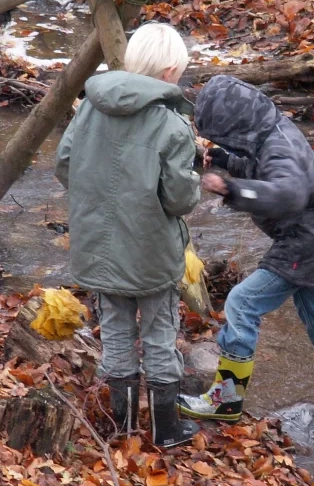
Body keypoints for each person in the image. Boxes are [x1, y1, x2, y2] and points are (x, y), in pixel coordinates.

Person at [177, 75, 314, 422]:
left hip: (304, 244)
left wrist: (233, 190)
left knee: (242, 302)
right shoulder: (270, 132)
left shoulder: (278, 147)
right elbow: (262, 166)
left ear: (236, 124)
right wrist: (226, 158)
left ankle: (225, 400)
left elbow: (288, 193)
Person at [55, 23, 201, 448]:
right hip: (152, 253)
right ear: (172, 71)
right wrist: (195, 177)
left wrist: (100, 202)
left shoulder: (88, 108)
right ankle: (165, 429)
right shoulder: (172, 127)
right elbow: (178, 200)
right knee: (158, 334)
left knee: (116, 330)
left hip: (98, 247)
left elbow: (65, 166)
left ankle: (122, 426)